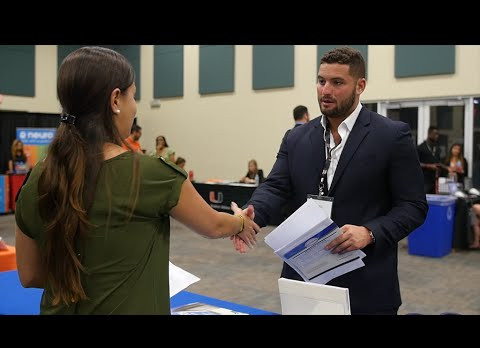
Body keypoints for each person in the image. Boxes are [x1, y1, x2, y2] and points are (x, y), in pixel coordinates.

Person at [14, 46, 259, 315]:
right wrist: (240, 222)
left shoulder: (38, 177)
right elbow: (212, 225)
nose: (134, 107)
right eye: (133, 96)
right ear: (116, 100)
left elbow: (29, 275)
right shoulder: (152, 174)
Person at [232, 47, 427, 315]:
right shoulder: (297, 137)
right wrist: (252, 214)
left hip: (366, 285)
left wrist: (369, 233)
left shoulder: (392, 136)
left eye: (337, 83)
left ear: (360, 86)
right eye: (321, 81)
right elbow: (276, 187)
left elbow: (413, 206)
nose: (326, 90)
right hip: (303, 280)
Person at [417, 126, 443, 194]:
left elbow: (439, 162)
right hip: (424, 181)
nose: (437, 136)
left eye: (438, 134)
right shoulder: (420, 148)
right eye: (435, 134)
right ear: (429, 134)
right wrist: (428, 166)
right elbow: (415, 163)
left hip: (435, 180)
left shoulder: (437, 148)